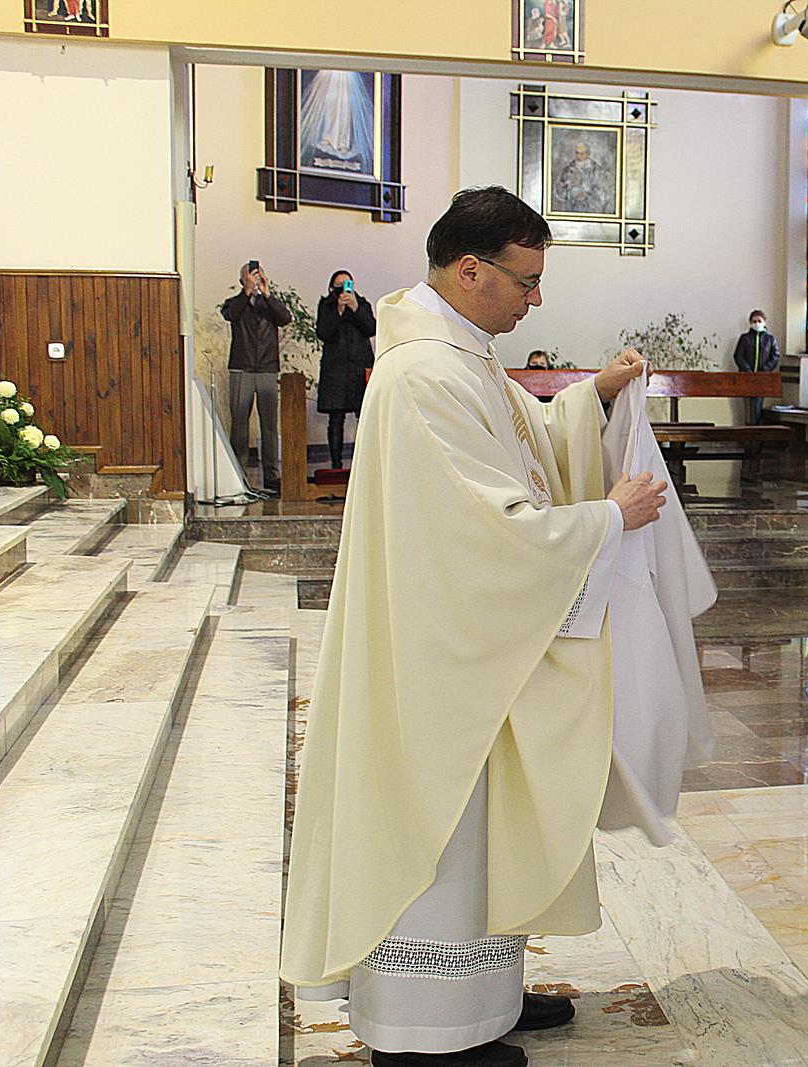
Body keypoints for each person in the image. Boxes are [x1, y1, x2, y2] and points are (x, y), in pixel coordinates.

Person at [280, 187, 671, 1067]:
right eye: (526, 281)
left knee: (484, 824)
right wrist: (605, 518)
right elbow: (489, 528)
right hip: (437, 659)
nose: (536, 298)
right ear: (469, 270)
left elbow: (525, 440)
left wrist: (592, 397)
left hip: (470, 648)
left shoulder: (461, 354)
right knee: (441, 819)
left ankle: (482, 992)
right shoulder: (424, 374)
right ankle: (426, 1028)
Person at [222, 260, 292, 495]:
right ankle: (239, 475)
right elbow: (232, 315)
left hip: (266, 368)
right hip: (242, 368)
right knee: (239, 424)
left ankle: (272, 475)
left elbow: (285, 318)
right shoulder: (234, 303)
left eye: (258, 275)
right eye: (250, 276)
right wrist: (247, 292)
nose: (255, 278)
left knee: (269, 425)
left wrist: (267, 293)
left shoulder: (269, 304)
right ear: (242, 280)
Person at [315, 270, 377, 470]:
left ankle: (366, 463)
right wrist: (339, 311)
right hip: (336, 370)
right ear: (332, 287)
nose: (343, 289)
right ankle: (336, 464)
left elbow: (371, 328)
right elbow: (323, 332)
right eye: (339, 285)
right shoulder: (327, 306)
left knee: (364, 415)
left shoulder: (362, 303)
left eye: (347, 284)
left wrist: (355, 307)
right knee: (336, 417)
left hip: (359, 367)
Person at [732, 309, 781, 425]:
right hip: (746, 377)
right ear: (750, 323)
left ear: (764, 322)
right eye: (754, 321)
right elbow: (738, 356)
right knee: (748, 407)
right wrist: (747, 370)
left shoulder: (770, 339)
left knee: (757, 406)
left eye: (759, 321)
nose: (757, 323)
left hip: (761, 378)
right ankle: (748, 430)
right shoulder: (745, 338)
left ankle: (756, 431)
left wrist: (764, 370)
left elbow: (775, 356)